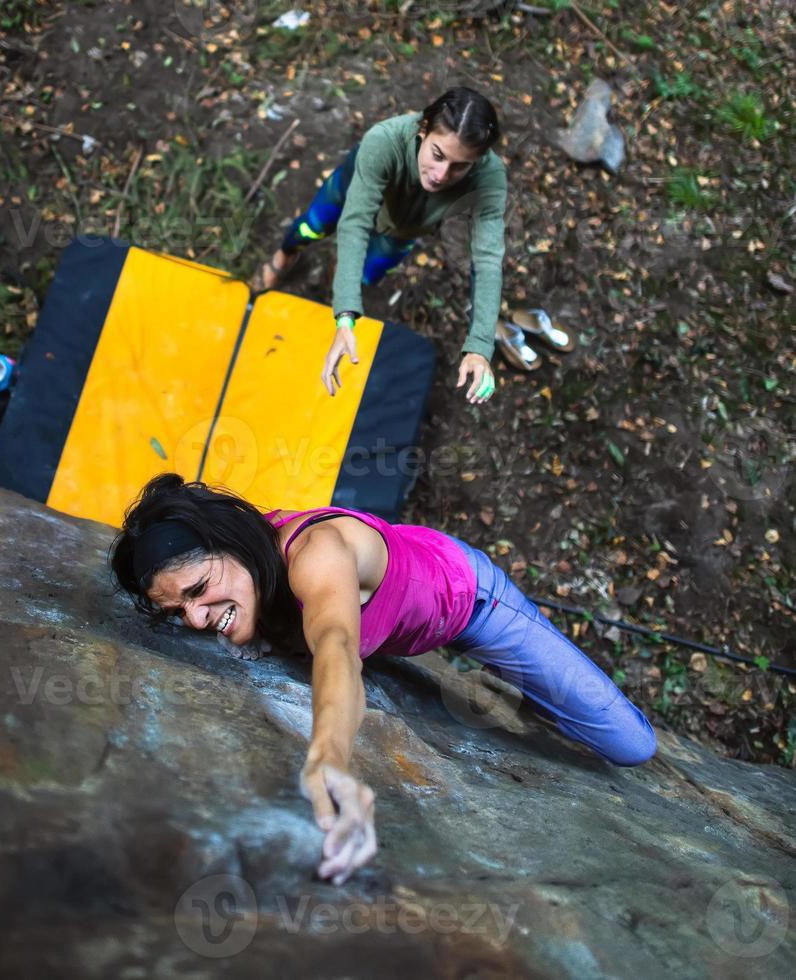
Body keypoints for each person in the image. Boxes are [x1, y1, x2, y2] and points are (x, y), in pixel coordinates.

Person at [111, 474, 657, 885]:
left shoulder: (314, 554)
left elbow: (338, 646)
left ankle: (524, 675)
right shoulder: (245, 575)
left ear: (232, 544)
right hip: (407, 609)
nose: (198, 619)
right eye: (178, 610)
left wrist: (328, 756)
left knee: (628, 743)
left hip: (470, 602)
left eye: (199, 590)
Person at [255, 86, 507, 403]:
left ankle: (339, 275)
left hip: (404, 230)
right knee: (310, 228)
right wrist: (347, 313)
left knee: (365, 274)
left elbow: (487, 259)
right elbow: (355, 221)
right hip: (349, 193)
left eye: (460, 166)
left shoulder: (490, 177)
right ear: (423, 130)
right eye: (438, 155)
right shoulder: (384, 140)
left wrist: (480, 346)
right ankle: (285, 255)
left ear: (478, 160)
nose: (442, 175)